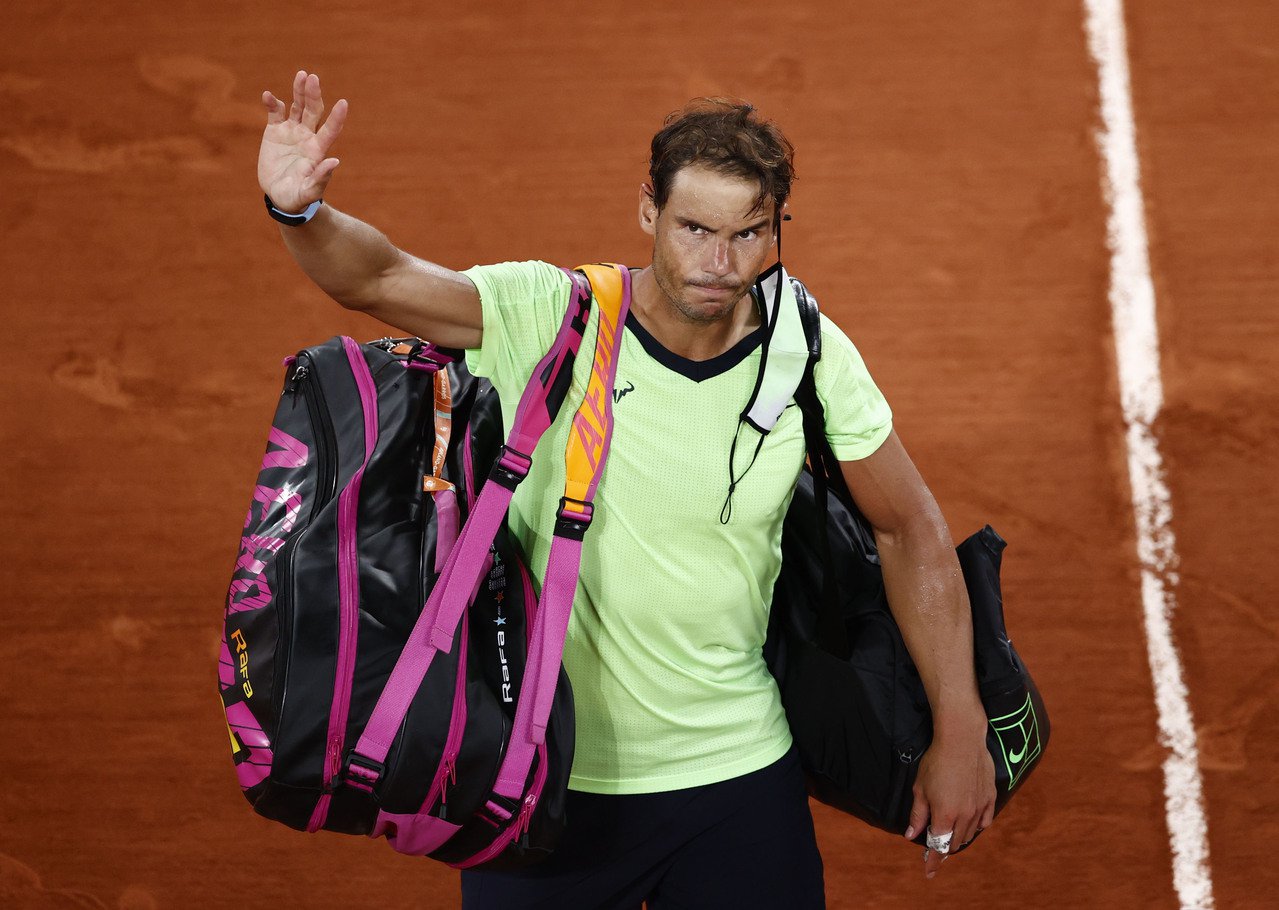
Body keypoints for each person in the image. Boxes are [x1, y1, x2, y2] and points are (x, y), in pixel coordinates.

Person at [258, 69, 996, 909]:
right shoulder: (552, 315)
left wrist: (961, 726)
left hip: (736, 777)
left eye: (749, 235)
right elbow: (380, 278)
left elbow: (910, 530)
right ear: (648, 210)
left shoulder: (807, 355)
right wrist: (300, 212)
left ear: (776, 228)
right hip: (541, 784)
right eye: (694, 228)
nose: (719, 264)